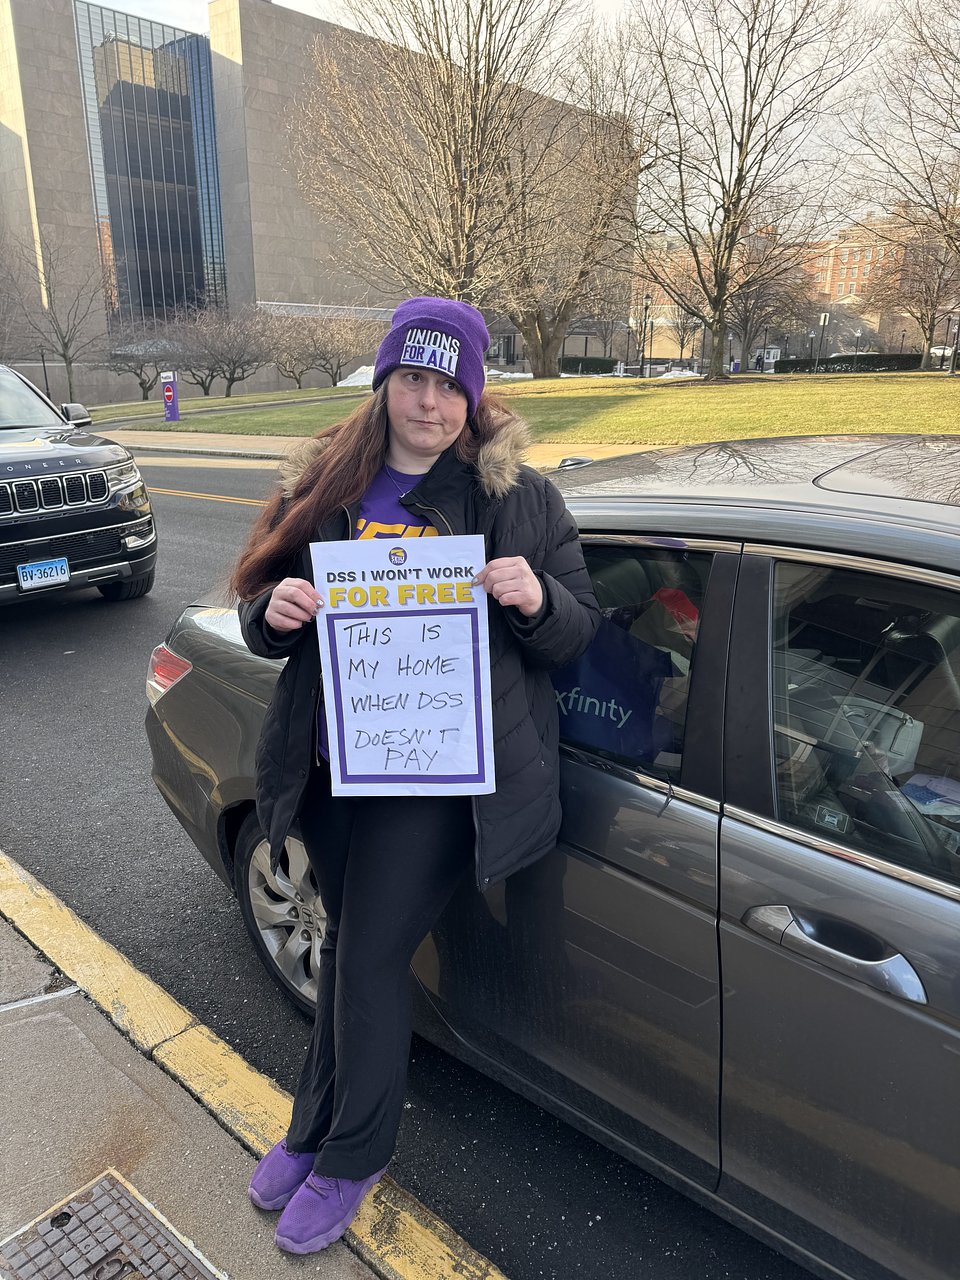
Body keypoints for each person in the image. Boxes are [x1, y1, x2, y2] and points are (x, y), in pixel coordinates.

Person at [229, 297, 599, 1255]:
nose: (428, 404)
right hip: (340, 765)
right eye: (412, 380)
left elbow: (579, 632)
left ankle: (354, 1154)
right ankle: (311, 1129)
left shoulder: (520, 501)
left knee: (372, 958)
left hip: (442, 783)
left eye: (449, 386)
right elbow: (255, 606)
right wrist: (276, 612)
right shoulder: (330, 484)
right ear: (386, 382)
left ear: (474, 397)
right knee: (348, 947)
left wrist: (534, 596)